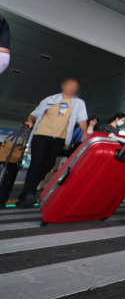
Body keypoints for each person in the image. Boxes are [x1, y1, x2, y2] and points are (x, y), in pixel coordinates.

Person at [18, 77, 88, 208]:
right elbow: (34, 113)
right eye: (70, 85)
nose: (72, 87)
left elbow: (82, 119)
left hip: (59, 138)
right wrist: (30, 121)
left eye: (75, 86)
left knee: (49, 164)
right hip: (41, 135)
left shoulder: (78, 103)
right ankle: (29, 194)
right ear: (63, 86)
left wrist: (84, 133)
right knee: (36, 163)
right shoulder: (50, 99)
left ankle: (26, 193)